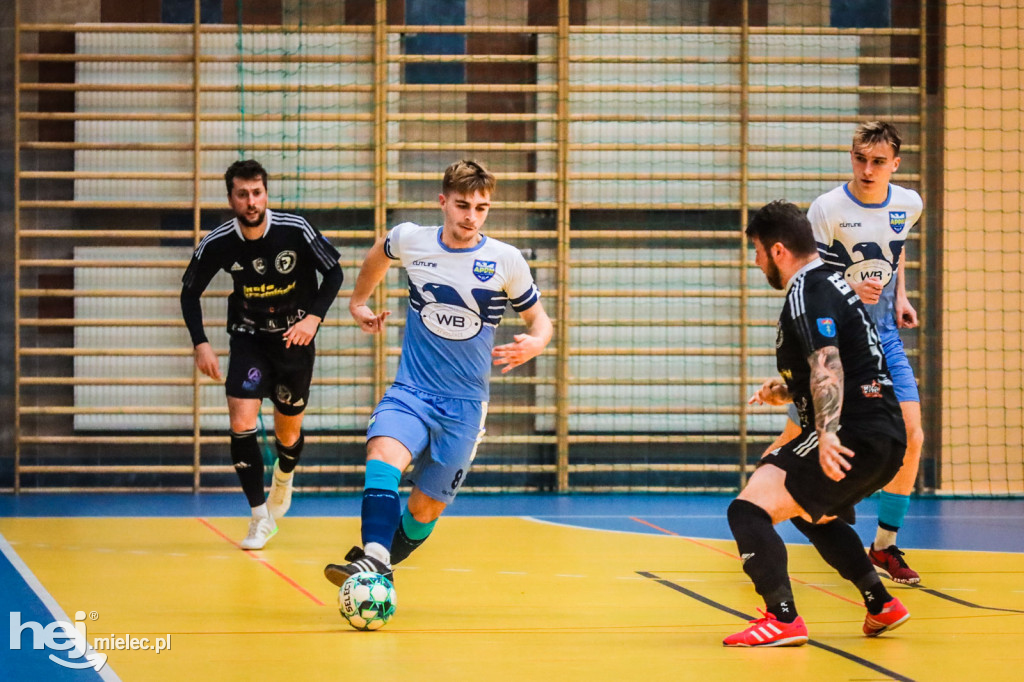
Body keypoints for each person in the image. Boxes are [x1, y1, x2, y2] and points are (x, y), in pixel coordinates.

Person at [323, 159, 552, 585]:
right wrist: (358, 302)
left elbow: (541, 321)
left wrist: (536, 341)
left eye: (481, 208)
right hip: (411, 389)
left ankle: (377, 564)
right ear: (442, 201)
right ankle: (373, 558)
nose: (471, 216)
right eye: (463, 205)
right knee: (382, 458)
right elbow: (379, 253)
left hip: (464, 407)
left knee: (422, 511)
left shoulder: (506, 259)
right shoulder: (413, 239)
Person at [725, 200, 909, 647]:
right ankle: (880, 602)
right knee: (812, 513)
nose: (756, 261)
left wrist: (826, 434)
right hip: (884, 435)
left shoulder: (807, 291)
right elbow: (840, 362)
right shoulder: (831, 282)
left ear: (779, 250)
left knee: (747, 510)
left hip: (854, 433)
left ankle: (782, 618)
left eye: (757, 251)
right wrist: (785, 391)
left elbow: (828, 364)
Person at [767, 121, 925, 584]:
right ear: (851, 157)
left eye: (878, 162)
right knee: (797, 435)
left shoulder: (909, 203)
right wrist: (851, 286)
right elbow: (806, 276)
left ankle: (885, 547)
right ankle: (755, 516)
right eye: (860, 159)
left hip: (884, 339)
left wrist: (900, 297)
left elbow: (893, 254)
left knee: (912, 437)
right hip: (835, 339)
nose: (868, 169)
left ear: (895, 164)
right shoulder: (827, 208)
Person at [181, 160, 343, 549]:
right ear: (231, 198)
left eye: (257, 193)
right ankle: (259, 517)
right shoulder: (218, 241)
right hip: (249, 338)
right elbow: (189, 293)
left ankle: (284, 476)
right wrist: (201, 343)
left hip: (294, 341)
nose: (251, 202)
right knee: (241, 420)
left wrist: (313, 320)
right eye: (242, 194)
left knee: (288, 432)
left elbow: (334, 272)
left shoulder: (295, 229)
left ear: (266, 194)